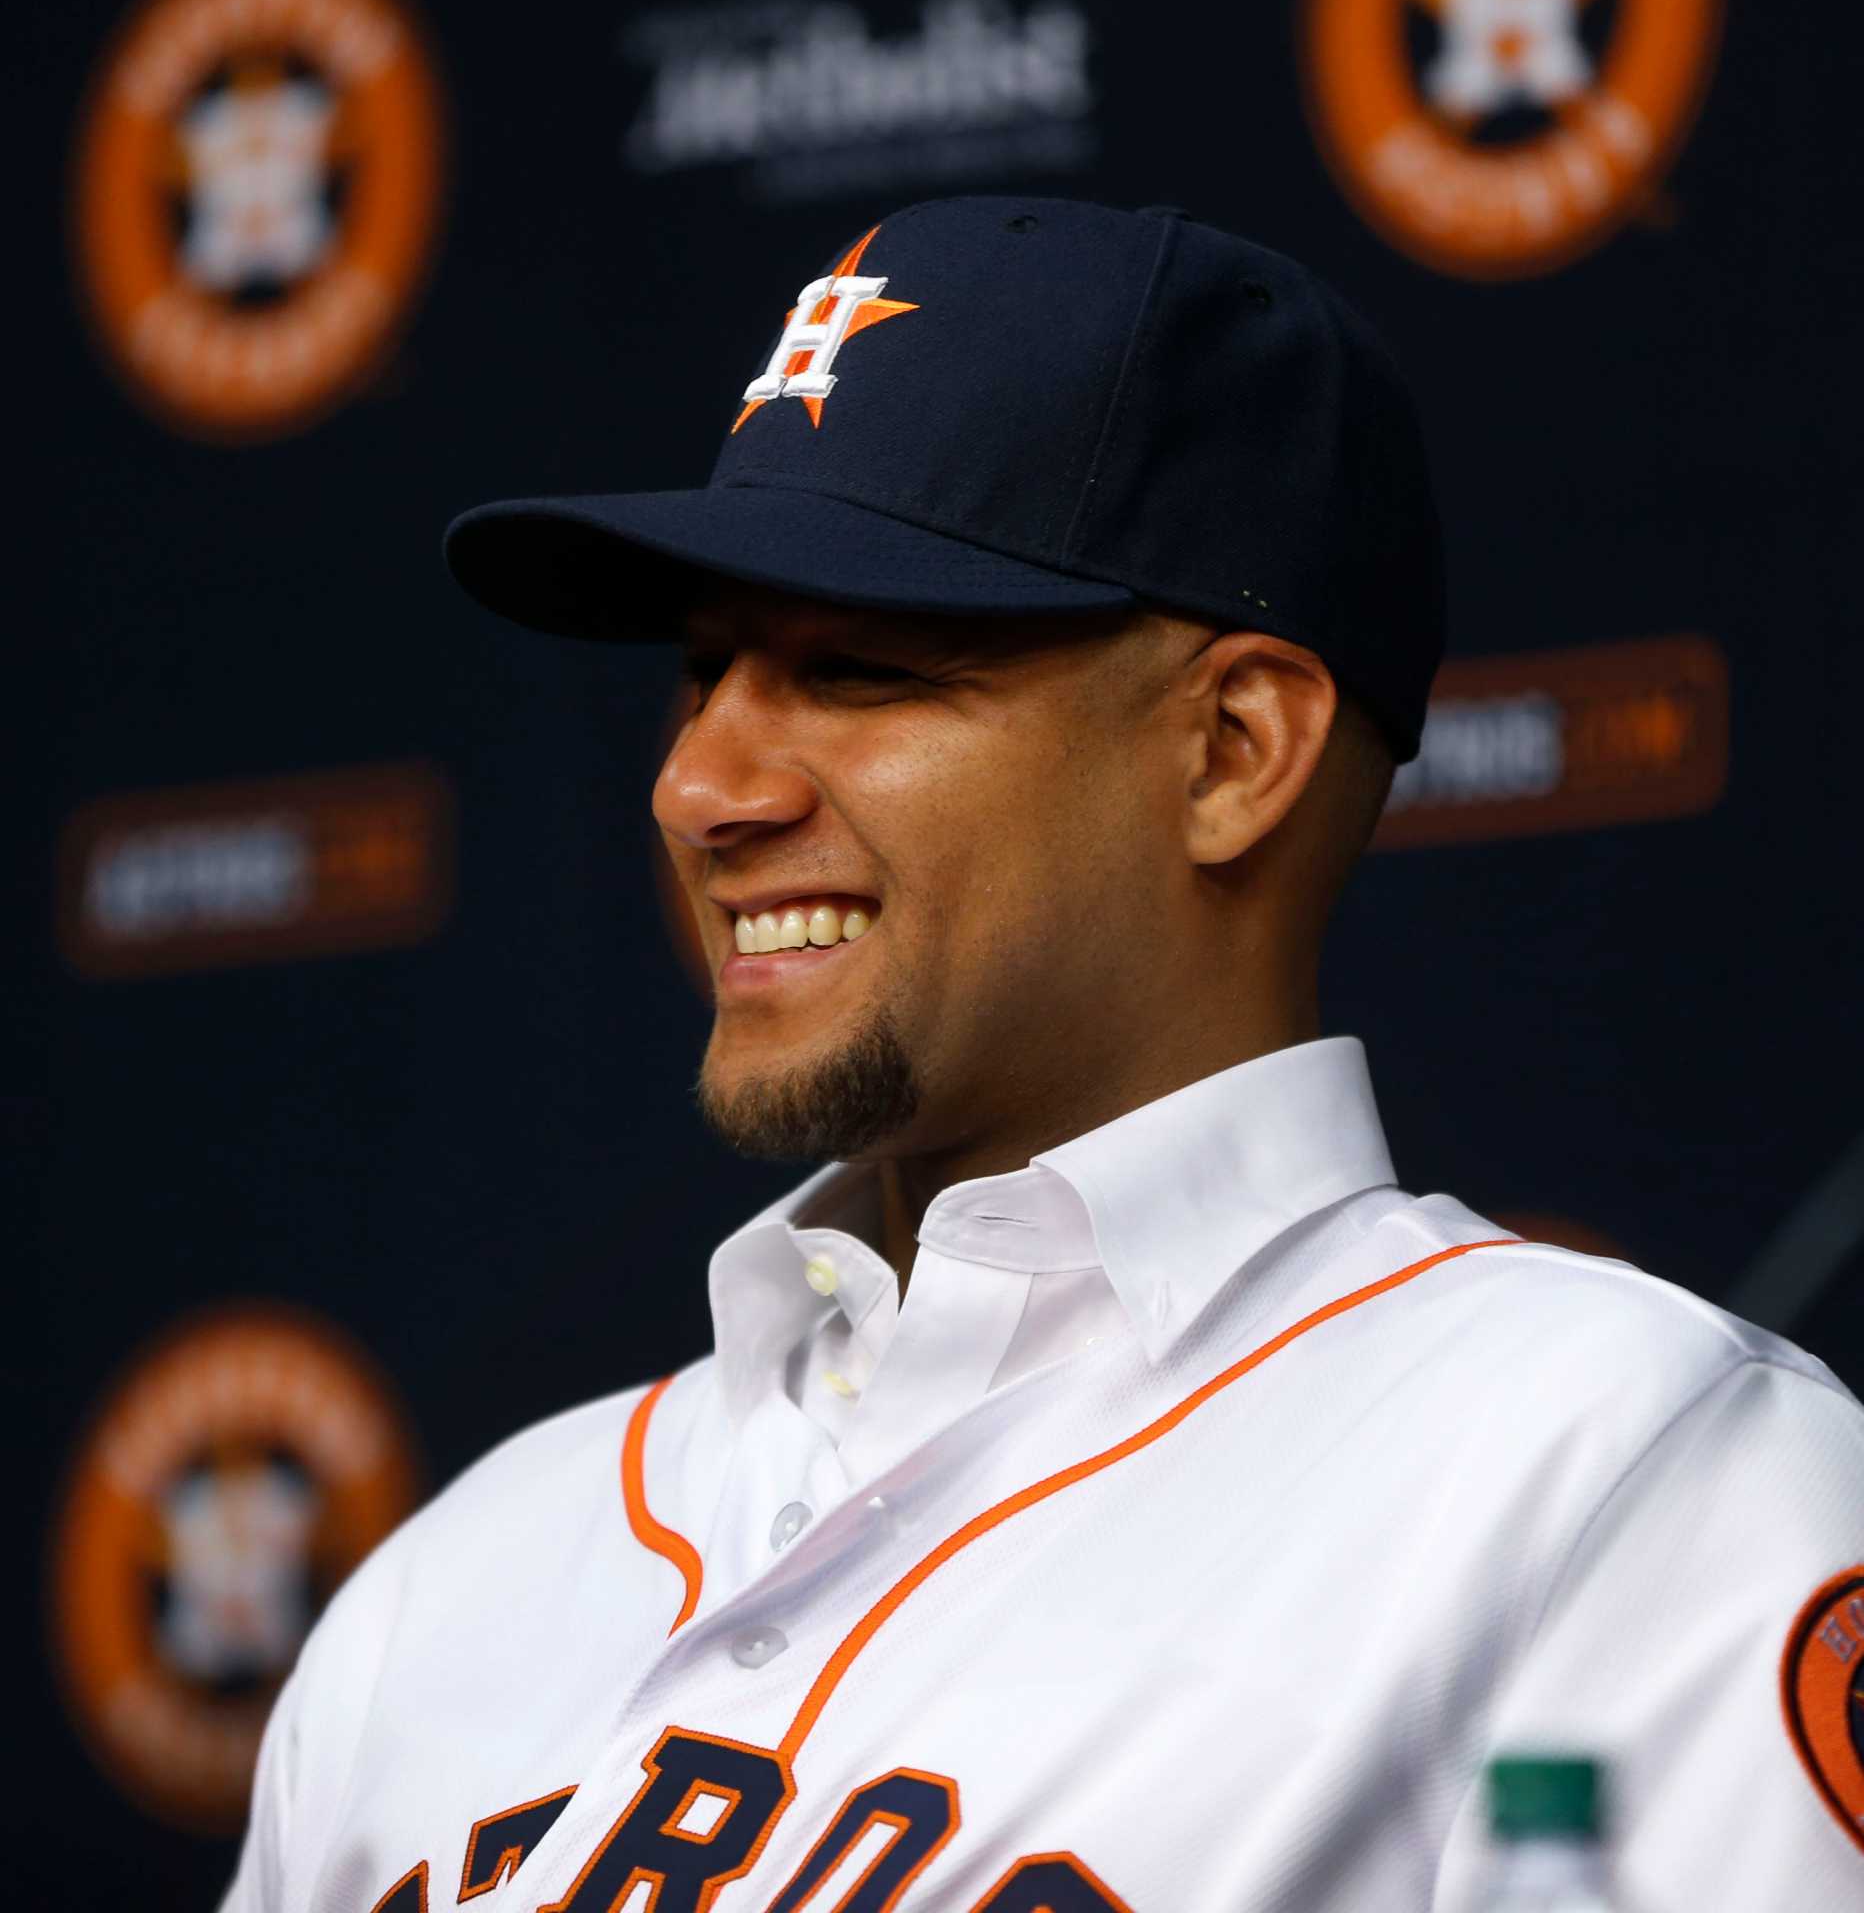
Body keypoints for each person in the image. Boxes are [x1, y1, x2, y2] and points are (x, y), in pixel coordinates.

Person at [224, 198, 1864, 1912]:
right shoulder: (458, 1577)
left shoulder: (1621, 1471)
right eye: (703, 675)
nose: (701, 791)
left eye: (857, 669)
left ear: (1233, 751)